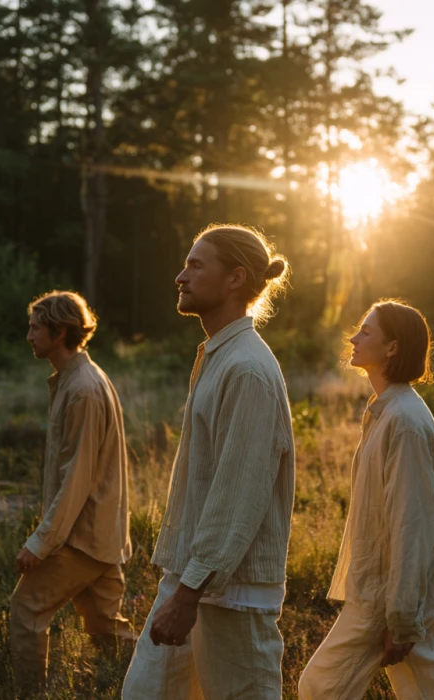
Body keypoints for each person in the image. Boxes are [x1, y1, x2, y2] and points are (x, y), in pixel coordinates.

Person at [122, 224, 295, 699]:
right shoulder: (221, 357)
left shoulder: (247, 369)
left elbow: (238, 492)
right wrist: (185, 585)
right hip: (193, 578)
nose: (180, 276)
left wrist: (190, 593)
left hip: (228, 593)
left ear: (235, 278)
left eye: (196, 265)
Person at [298, 299, 434, 699]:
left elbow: (412, 524)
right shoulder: (387, 413)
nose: (354, 338)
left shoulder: (405, 421)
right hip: (386, 594)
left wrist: (402, 617)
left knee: (320, 687)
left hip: (385, 599)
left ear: (392, 347)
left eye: (367, 330)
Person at [9, 290, 137, 696]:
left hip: (81, 538)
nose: (28, 335)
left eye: (34, 328)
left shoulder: (82, 389)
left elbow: (76, 478)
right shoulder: (78, 380)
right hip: (100, 534)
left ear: (58, 331)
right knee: (107, 632)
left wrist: (40, 541)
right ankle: (167, 681)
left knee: (27, 609)